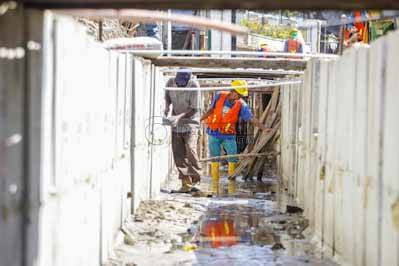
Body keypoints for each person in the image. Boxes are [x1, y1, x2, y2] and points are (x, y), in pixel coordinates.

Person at [200, 80, 270, 181]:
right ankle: (214, 183)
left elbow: (250, 118)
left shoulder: (241, 105)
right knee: (214, 158)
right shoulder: (219, 96)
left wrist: (264, 128)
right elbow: (211, 110)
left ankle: (231, 184)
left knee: (233, 158)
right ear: (233, 92)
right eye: (239, 95)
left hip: (229, 135)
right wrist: (200, 119)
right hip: (214, 132)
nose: (240, 97)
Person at [164, 69, 202, 193]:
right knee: (178, 153)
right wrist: (166, 109)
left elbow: (194, 109)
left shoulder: (194, 86)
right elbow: (167, 98)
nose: (180, 85)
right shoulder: (170, 82)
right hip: (177, 124)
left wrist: (178, 117)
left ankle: (197, 181)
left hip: (191, 123)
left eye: (182, 83)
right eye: (178, 83)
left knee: (190, 149)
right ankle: (186, 184)